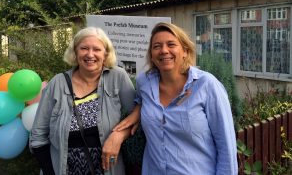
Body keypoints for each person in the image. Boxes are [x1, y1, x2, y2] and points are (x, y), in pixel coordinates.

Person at [115, 22, 238, 175]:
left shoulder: (207, 85)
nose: (164, 50)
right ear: (152, 56)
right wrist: (133, 117)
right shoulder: (144, 83)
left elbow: (226, 145)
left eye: (171, 44)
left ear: (185, 51)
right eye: (157, 46)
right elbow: (141, 101)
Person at [29, 26, 135, 175]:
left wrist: (119, 136)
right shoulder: (57, 83)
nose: (90, 54)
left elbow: (138, 114)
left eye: (97, 49)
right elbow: (38, 135)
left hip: (108, 169)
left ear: (105, 53)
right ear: (75, 52)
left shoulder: (117, 77)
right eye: (84, 48)